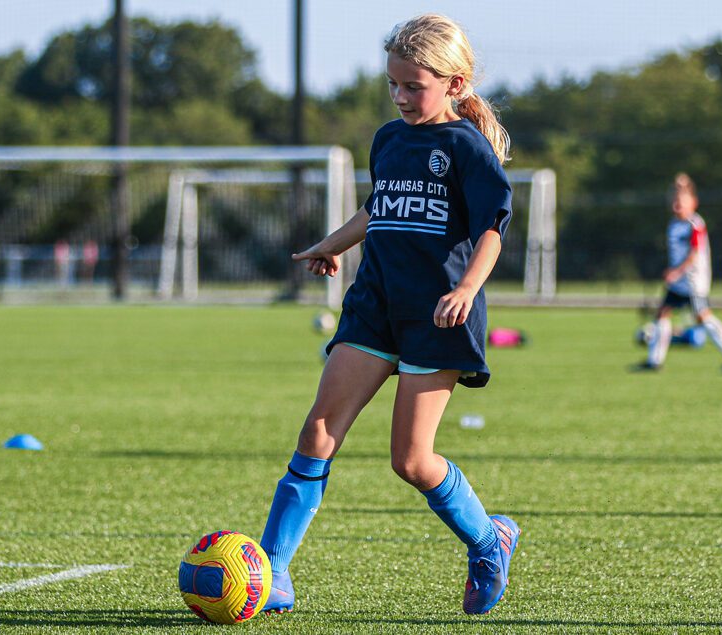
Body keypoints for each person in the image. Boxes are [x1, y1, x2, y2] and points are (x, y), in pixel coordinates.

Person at [257, 13, 521, 616]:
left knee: (410, 461)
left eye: (413, 86)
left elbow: (491, 231)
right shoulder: (388, 138)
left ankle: (490, 540)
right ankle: (273, 571)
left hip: (438, 315)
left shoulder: (466, 147)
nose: (401, 97)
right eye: (394, 85)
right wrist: (333, 244)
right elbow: (379, 207)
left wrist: (466, 289)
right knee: (317, 431)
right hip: (375, 304)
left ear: (454, 85)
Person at [635, 173, 722, 373]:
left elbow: (695, 253)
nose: (677, 204)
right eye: (675, 200)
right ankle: (655, 361)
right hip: (678, 283)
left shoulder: (694, 224)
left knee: (704, 317)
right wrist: (680, 185)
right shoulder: (673, 224)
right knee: (662, 314)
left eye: (682, 201)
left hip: (693, 282)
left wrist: (676, 271)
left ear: (694, 203)